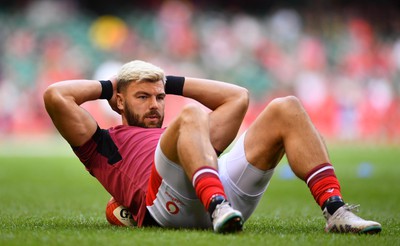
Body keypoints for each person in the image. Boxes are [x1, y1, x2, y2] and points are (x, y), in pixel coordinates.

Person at [43, 60, 381, 234]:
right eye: (142, 97)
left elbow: (238, 97)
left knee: (286, 107)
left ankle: (336, 211)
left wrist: (167, 81)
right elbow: (55, 96)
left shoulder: (187, 134)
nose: (155, 105)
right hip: (166, 208)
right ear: (118, 101)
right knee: (192, 115)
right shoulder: (102, 142)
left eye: (160, 97)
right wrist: (112, 85)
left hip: (212, 190)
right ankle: (216, 204)